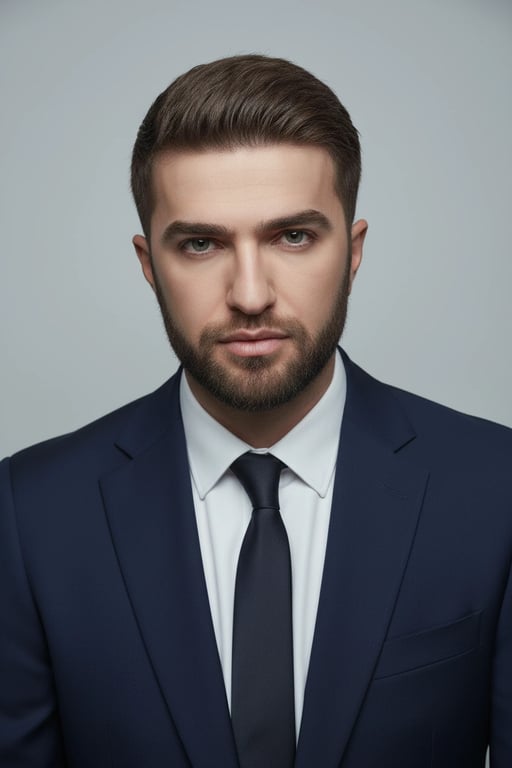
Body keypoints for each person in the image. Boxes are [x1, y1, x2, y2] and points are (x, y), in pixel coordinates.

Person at [0, 54, 511, 768]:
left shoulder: (495, 490)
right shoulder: (29, 513)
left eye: (292, 236)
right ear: (150, 265)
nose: (249, 293)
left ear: (353, 251)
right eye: (201, 244)